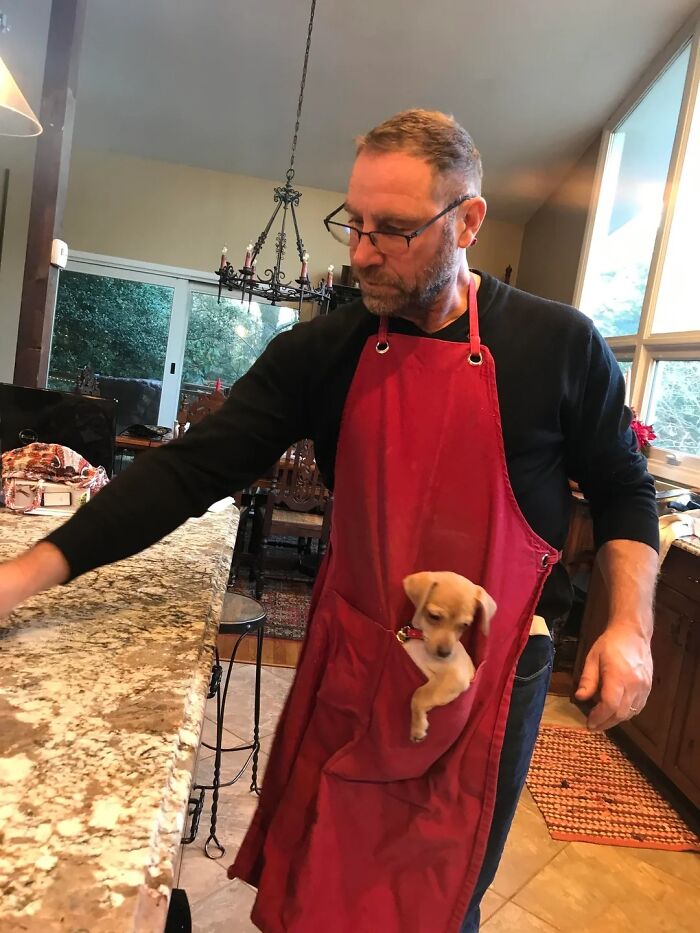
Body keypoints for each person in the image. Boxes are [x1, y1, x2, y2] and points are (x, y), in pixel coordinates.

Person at [0, 110, 658, 932]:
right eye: (354, 222)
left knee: (433, 887)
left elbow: (626, 489)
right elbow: (187, 470)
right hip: (358, 652)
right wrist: (21, 576)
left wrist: (630, 625)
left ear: (470, 221)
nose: (362, 250)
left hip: (489, 673)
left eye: (394, 229)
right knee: (324, 870)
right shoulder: (327, 350)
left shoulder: (560, 344)